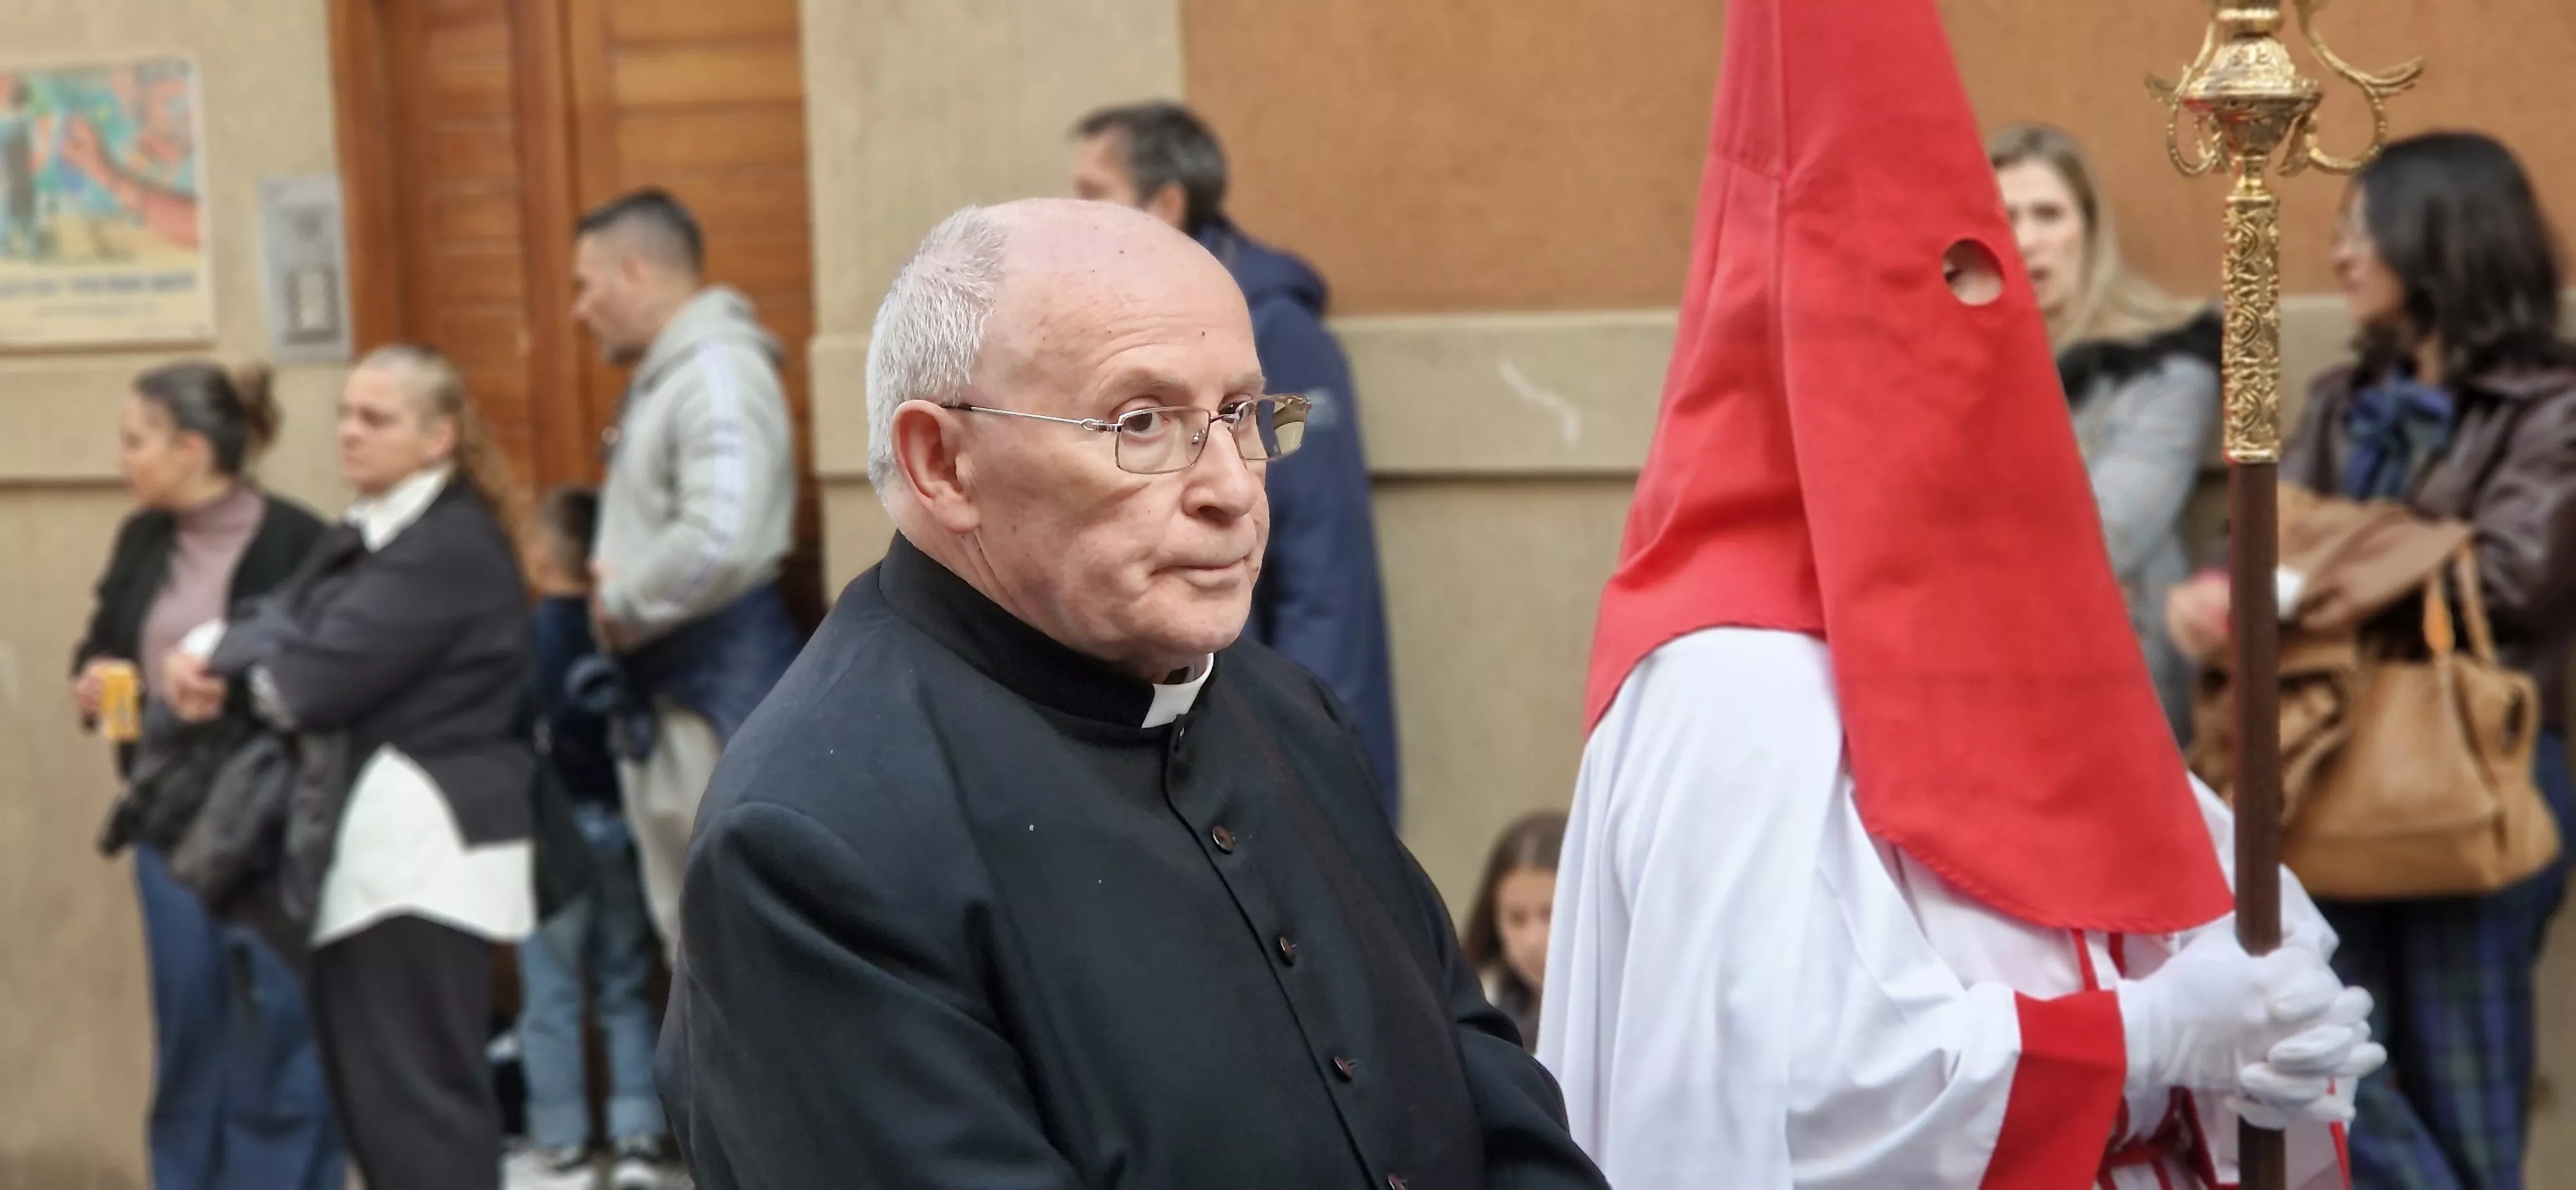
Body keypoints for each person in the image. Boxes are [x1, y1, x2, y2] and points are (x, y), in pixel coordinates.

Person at [1538, 3, 2381, 1187]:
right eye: (1932, 291)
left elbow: (2195, 906)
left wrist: (2275, 1023)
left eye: (1987, 285)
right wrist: (2145, 1038)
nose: (1972, 350)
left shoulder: (2019, 626)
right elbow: (1784, 1102)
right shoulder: (1732, 685)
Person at [658, 198, 1607, 1190]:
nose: (1233, 486)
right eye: (1142, 422)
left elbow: (1477, 1068)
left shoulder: (1285, 710)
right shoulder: (812, 838)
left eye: (1243, 415)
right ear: (942, 463)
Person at [2164, 131, 2576, 1190]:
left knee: (2466, 1076)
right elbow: (2251, 548)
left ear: (2438, 235)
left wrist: (2303, 580)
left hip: (2471, 769)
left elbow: (2514, 576)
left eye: (2361, 225)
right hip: (2315, 761)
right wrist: (2320, 567)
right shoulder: (2344, 397)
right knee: (2330, 1057)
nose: (2341, 253)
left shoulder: (2552, 407)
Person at [164, 345, 536, 1190]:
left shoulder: (448, 544)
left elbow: (307, 678)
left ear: (439, 436)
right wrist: (213, 646)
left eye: (377, 418)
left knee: (423, 1117)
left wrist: (220, 661)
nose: (351, 433)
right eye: (345, 413)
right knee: (384, 1118)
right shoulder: (367, 530)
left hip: (423, 866)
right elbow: (280, 617)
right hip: (372, 869)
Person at [1072, 102, 1401, 812]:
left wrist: (1310, 758)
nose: (1079, 220)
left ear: (1165, 205)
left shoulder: (1280, 334)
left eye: (1095, 195)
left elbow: (1325, 578)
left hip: (1268, 749)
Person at [71, 361, 339, 1190]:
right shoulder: (143, 539)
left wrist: (232, 691)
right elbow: (104, 641)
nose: (124, 458)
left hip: (270, 825)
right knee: (190, 1026)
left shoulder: (299, 540)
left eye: (136, 440)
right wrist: (95, 678)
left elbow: (327, 677)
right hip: (169, 822)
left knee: (285, 1029)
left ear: (191, 448)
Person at [570, 187, 802, 959]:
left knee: (737, 954)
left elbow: (722, 537)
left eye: (587, 284)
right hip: (676, 695)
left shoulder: (715, 374)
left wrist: (620, 601)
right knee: (703, 951)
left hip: (709, 701)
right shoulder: (679, 375)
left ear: (634, 271)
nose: (580, 310)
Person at [1991, 123, 2221, 740]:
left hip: (2119, 672)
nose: (2026, 239)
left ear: (2089, 233)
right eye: (2003, 216)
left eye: (2048, 215)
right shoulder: (1944, 370)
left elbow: (2106, 529)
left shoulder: (2166, 365)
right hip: (1977, 656)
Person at [505, 485, 670, 1190]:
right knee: (626, 985)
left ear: (540, 556)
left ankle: (562, 1141)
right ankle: (639, 1135)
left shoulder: (526, 639)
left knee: (550, 994)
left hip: (552, 837)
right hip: (621, 825)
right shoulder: (621, 633)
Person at [1463, 810, 1566, 1052]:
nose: (1532, 941)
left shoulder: (1622, 1012)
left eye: (1550, 915)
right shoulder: (1473, 1008)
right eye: (1516, 919)